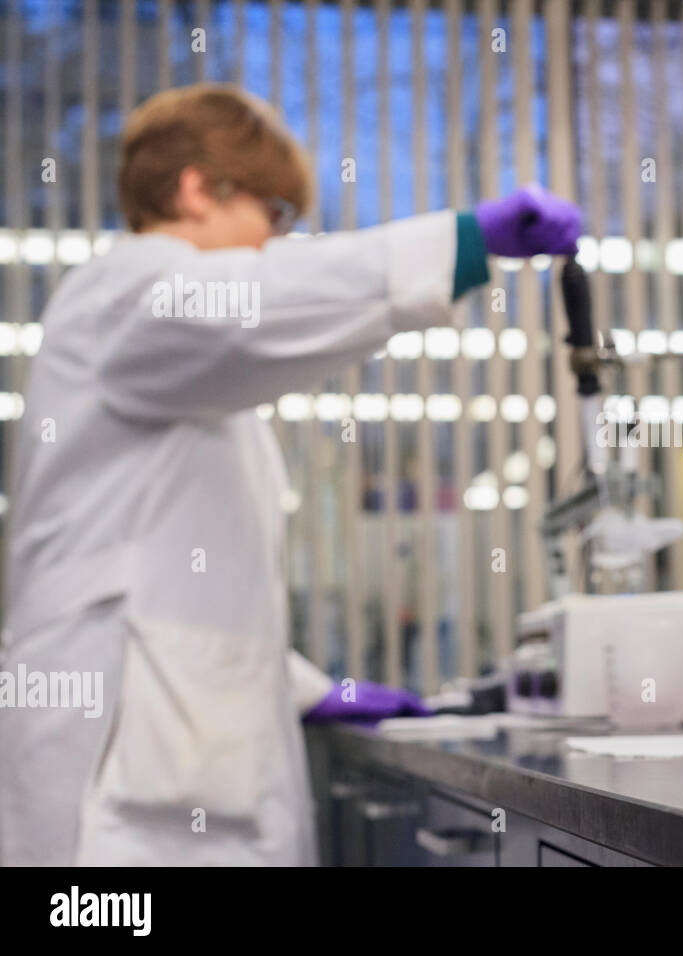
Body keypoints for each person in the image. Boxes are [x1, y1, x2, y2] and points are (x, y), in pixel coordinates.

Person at [0, 84, 581, 866]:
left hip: (178, 761)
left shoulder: (186, 377)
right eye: (274, 217)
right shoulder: (129, 289)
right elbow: (258, 305)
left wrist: (309, 690)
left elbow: (185, 591)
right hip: (117, 792)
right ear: (198, 188)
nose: (274, 246)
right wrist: (464, 241)